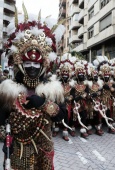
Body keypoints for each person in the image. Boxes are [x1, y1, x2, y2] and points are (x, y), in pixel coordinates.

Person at [0, 4, 66, 170]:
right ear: (20, 63)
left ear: (43, 64)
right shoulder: (9, 88)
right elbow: (1, 118)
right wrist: (5, 138)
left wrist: (43, 103)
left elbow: (62, 115)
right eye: (27, 62)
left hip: (43, 150)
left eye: (36, 63)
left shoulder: (52, 88)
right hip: (18, 150)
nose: (32, 67)